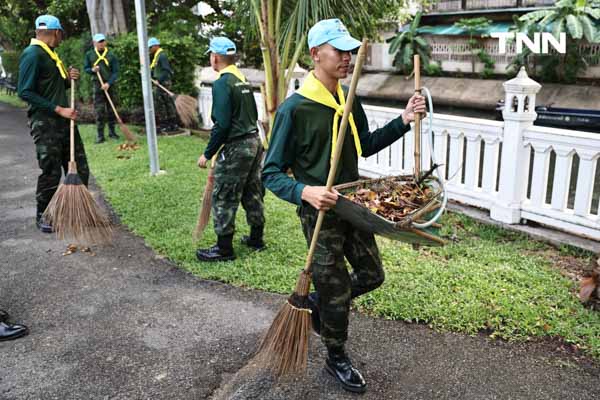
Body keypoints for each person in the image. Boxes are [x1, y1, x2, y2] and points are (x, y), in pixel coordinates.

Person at [262, 18, 427, 393]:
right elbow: (270, 173)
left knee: (372, 275)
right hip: (319, 213)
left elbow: (364, 144)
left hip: (353, 204)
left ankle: (320, 304)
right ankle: (336, 354)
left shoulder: (349, 99)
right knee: (335, 285)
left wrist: (403, 119)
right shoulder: (295, 109)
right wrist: (306, 191)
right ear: (316, 54)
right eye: (340, 51)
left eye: (351, 51)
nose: (348, 58)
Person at [196, 37, 265, 262]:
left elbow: (222, 124)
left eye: (210, 55)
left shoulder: (222, 83)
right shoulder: (242, 79)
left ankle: (224, 249)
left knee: (225, 194)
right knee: (252, 190)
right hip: (254, 142)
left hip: (237, 146)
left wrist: (207, 153)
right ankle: (256, 238)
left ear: (215, 57)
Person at [17, 14, 88, 233]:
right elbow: (25, 91)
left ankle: (78, 211)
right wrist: (59, 109)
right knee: (50, 171)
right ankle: (43, 215)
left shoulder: (51, 54)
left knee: (80, 167)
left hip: (64, 122)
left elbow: (51, 87)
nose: (62, 39)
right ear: (56, 32)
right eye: (61, 35)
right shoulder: (32, 55)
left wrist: (68, 79)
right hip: (45, 123)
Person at [84, 33, 119, 143]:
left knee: (111, 109)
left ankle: (112, 132)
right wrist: (92, 70)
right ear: (94, 43)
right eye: (99, 42)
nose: (101, 43)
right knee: (99, 111)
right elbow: (86, 68)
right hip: (97, 85)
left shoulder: (111, 55)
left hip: (110, 86)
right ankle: (100, 135)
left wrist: (108, 83)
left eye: (103, 41)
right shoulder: (89, 54)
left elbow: (115, 72)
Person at [148, 37, 179, 133]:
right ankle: (165, 124)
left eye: (150, 47)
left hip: (164, 83)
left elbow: (166, 70)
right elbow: (155, 69)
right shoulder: (157, 56)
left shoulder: (162, 56)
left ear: (156, 46)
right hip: (159, 83)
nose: (149, 49)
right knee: (160, 103)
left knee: (166, 103)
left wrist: (159, 80)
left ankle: (171, 124)